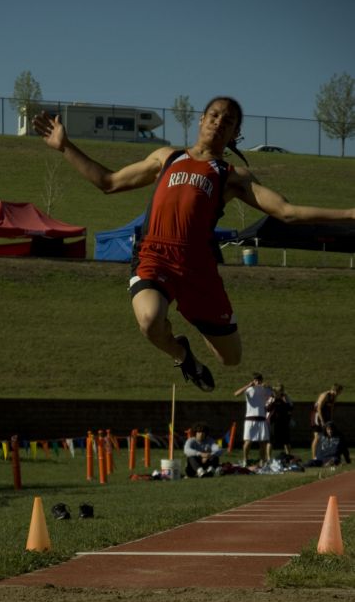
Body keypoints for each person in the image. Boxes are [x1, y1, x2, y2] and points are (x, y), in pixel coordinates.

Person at [32, 98, 355, 392]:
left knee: (231, 359)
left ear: (234, 134)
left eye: (227, 121)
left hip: (198, 270)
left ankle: (197, 319)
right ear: (201, 120)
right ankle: (182, 354)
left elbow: (287, 212)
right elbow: (109, 182)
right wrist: (65, 147)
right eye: (214, 116)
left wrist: (349, 214)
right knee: (148, 319)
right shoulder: (167, 157)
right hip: (154, 256)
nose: (218, 122)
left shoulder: (232, 176)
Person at [234, 373, 272, 466]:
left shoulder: (265, 389)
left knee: (263, 442)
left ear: (261, 380)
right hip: (250, 419)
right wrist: (248, 385)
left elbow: (274, 393)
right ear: (253, 380)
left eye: (259, 380)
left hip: (262, 419)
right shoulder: (249, 389)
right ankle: (245, 460)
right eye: (256, 380)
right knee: (248, 441)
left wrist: (268, 386)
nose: (257, 382)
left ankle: (262, 461)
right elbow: (236, 394)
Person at [311, 384, 343, 459]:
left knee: (326, 435)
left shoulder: (334, 397)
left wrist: (331, 419)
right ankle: (314, 457)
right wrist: (321, 421)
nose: (339, 394)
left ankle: (325, 454)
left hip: (326, 415)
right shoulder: (325, 395)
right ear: (335, 390)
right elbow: (318, 408)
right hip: (317, 416)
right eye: (338, 392)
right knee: (317, 436)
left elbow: (331, 409)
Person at [266, 382, 294, 455]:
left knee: (286, 441)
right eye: (278, 390)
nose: (280, 391)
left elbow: (290, 408)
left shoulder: (285, 397)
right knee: (271, 441)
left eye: (281, 390)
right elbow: (267, 408)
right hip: (274, 422)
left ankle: (289, 456)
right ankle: (268, 458)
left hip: (284, 422)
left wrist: (285, 401)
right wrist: (274, 400)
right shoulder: (272, 397)